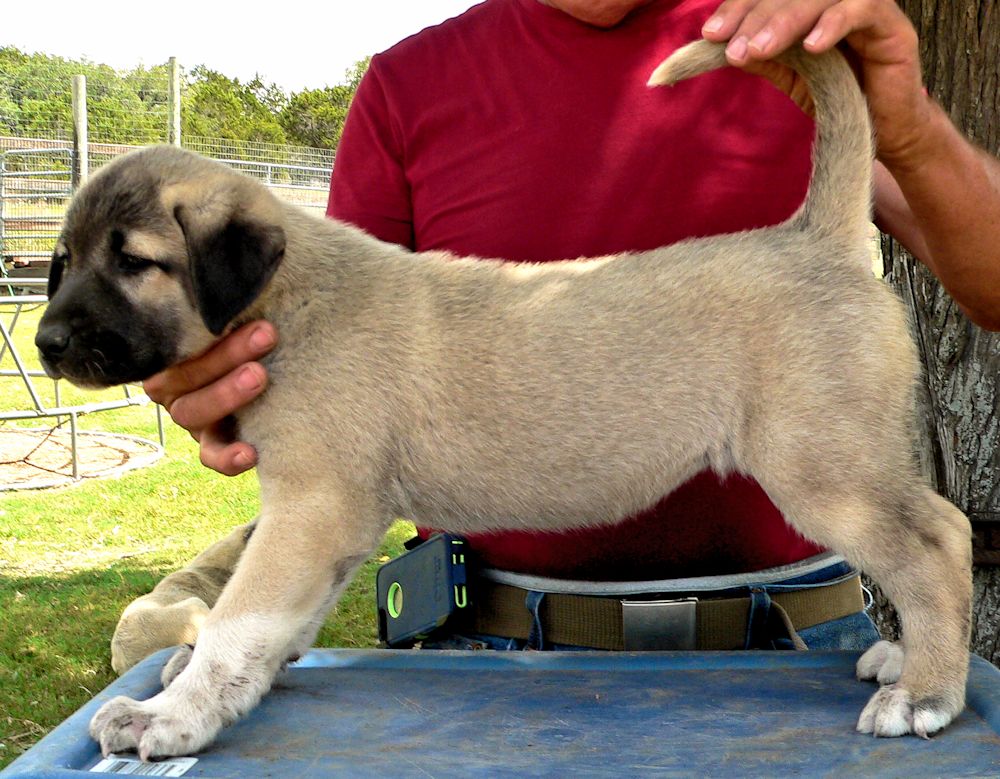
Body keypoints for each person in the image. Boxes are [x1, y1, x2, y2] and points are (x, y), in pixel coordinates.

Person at [113, 0, 1000, 667]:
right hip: (488, 645)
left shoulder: (776, 38)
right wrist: (220, 378)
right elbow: (328, 369)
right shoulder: (406, 85)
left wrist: (912, 129)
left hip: (794, 639)